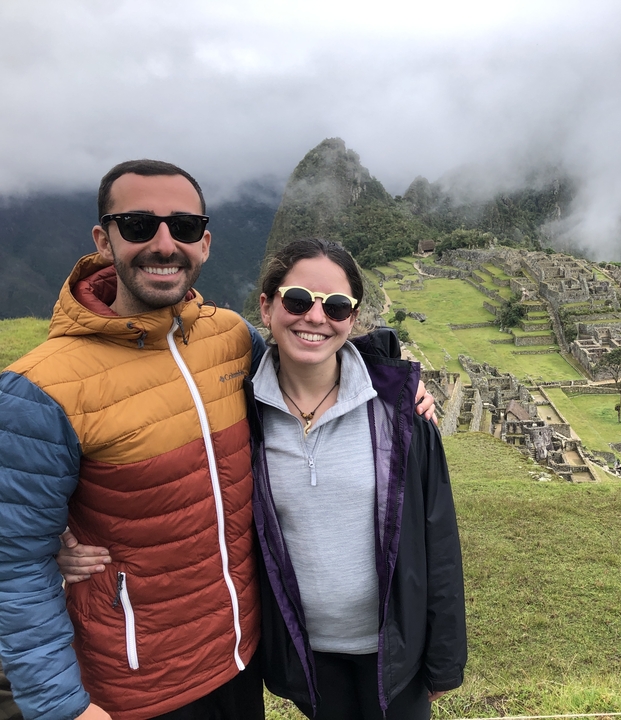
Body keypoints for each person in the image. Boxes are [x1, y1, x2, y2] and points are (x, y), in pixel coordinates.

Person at [0, 160, 434, 720]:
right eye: (137, 225)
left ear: (203, 243)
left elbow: (304, 348)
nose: (163, 244)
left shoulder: (229, 338)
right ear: (103, 241)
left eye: (181, 227)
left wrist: (399, 389)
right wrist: (63, 706)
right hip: (138, 681)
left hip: (239, 659)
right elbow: (14, 567)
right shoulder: (39, 390)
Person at [251, 238, 466, 719]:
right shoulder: (241, 414)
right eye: (298, 300)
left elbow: (438, 540)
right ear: (267, 307)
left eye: (337, 306)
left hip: (395, 652)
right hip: (309, 654)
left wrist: (444, 660)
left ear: (352, 318)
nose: (315, 318)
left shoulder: (399, 413)